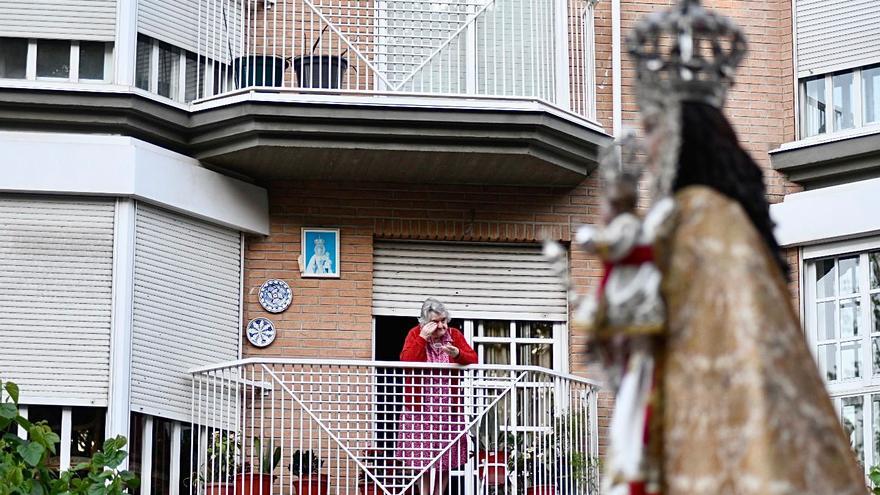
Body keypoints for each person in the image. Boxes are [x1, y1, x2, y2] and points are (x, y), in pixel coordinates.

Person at [573, 1, 867, 493]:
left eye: (654, 131)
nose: (649, 148)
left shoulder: (704, 217)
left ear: (686, 139)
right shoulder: (701, 217)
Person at [396, 298, 477, 495]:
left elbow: (473, 358)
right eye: (436, 321)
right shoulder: (415, 334)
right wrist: (423, 337)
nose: (441, 325)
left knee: (446, 459)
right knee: (423, 459)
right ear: (425, 322)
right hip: (420, 411)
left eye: (443, 320)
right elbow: (407, 361)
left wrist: (457, 353)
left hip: (448, 411)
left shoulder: (454, 335)